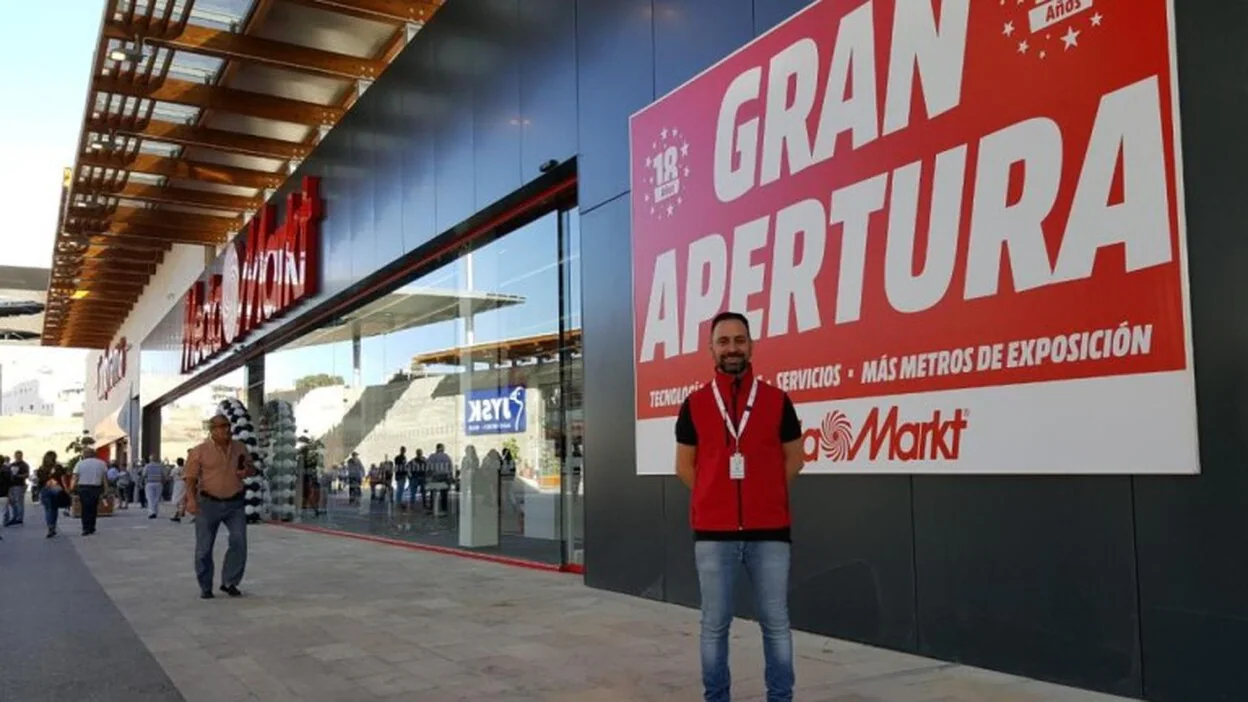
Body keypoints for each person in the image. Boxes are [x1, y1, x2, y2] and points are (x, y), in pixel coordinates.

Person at [674, 311, 805, 702]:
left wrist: (761, 493)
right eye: (724, 341)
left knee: (776, 623)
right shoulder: (694, 404)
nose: (732, 348)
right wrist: (717, 497)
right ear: (711, 349)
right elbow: (684, 466)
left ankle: (780, 698)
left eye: (739, 340)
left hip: (770, 533)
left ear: (752, 346)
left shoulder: (777, 401)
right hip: (713, 535)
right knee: (714, 625)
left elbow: (794, 459)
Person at [184, 414, 257, 599]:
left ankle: (230, 582)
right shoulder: (199, 451)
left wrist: (246, 470)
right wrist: (191, 500)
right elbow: (190, 478)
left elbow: (252, 468)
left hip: (235, 504)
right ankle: (205, 586)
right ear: (212, 430)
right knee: (204, 548)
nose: (226, 429)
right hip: (208, 504)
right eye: (221, 426)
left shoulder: (240, 448)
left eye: (227, 426)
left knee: (239, 542)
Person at [72, 447, 110, 536]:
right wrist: (106, 490)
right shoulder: (101, 463)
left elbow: (75, 477)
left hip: (83, 488)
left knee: (85, 508)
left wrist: (72, 487)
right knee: (93, 507)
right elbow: (105, 479)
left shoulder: (79, 464)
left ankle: (86, 527)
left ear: (85, 454)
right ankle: (92, 526)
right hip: (96, 488)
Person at [35, 451, 69, 538]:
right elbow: (63, 478)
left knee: (48, 509)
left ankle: (51, 528)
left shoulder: (41, 468)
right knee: (54, 508)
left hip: (45, 490)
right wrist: (65, 489)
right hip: (54, 489)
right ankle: (52, 527)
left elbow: (40, 480)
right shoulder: (57, 467)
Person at [5, 450, 29, 526]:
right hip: (11, 485)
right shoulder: (11, 464)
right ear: (14, 456)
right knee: (11, 502)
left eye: (20, 456)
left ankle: (19, 518)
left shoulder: (24, 465)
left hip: (19, 485)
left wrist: (18, 476)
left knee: (19, 502)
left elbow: (26, 475)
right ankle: (15, 516)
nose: (18, 457)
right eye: (17, 455)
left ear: (22, 456)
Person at [170, 457, 187, 523]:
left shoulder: (175, 469)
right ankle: (180, 512)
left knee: (176, 499)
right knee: (182, 499)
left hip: (177, 484)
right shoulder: (186, 469)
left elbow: (171, 477)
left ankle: (178, 513)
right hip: (185, 484)